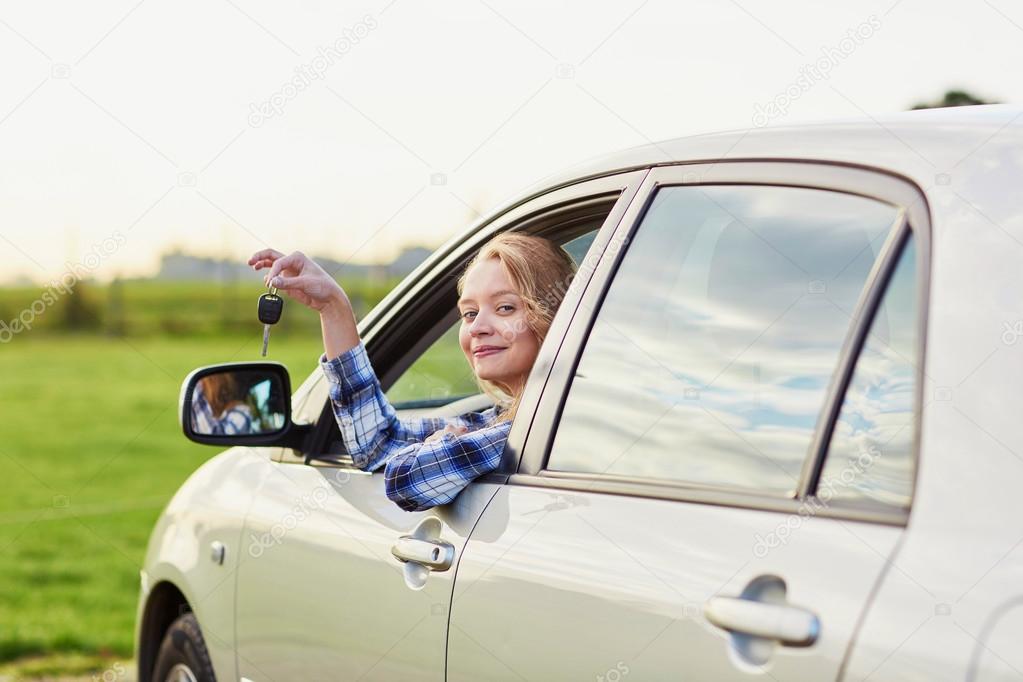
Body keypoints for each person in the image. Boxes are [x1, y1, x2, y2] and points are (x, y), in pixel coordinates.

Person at [248, 233, 576, 511]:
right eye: (470, 313)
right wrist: (333, 308)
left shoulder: (533, 430)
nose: (477, 327)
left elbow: (408, 481)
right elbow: (378, 443)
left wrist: (443, 441)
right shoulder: (499, 419)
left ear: (554, 315)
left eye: (506, 308)